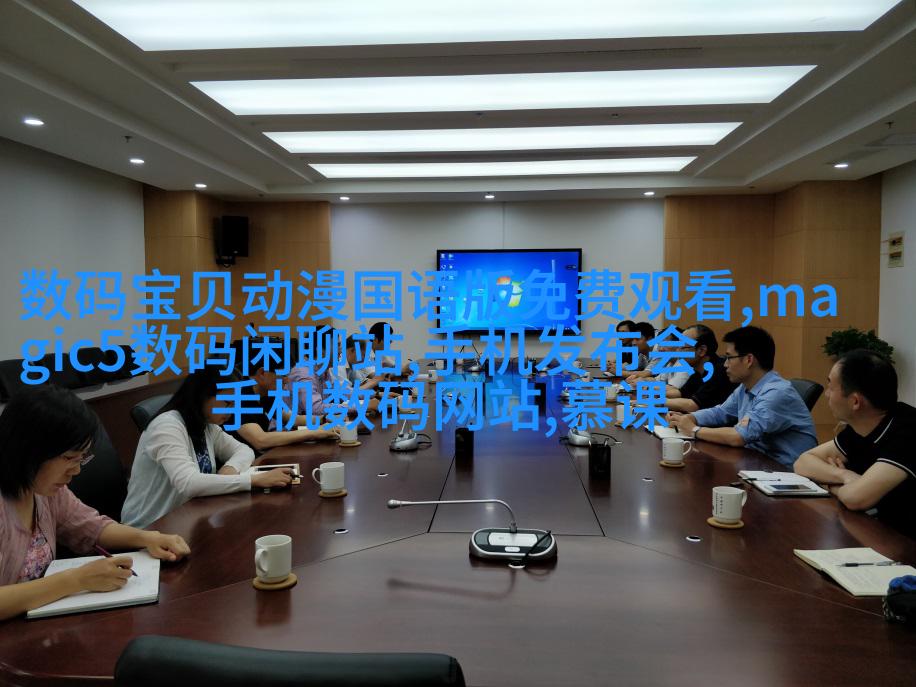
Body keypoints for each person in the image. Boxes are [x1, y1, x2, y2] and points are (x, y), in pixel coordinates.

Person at [0, 385, 189, 621]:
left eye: (81, 459)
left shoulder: (44, 491)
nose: (76, 470)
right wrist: (75, 580)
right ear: (27, 450)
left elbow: (90, 526)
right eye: (69, 458)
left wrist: (147, 538)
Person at [122, 367, 292, 528]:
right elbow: (189, 483)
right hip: (149, 530)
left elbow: (244, 450)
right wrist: (253, 480)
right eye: (227, 403)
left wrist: (230, 468)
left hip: (188, 518)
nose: (230, 412)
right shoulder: (167, 426)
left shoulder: (206, 425)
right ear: (202, 396)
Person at [794, 350, 915, 536]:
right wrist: (845, 475)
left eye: (831, 387)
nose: (826, 394)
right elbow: (803, 462)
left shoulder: (908, 429)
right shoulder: (860, 426)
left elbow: (855, 498)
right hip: (878, 529)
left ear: (855, 402)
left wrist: (831, 485)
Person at [669, 325, 817, 467]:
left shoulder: (777, 393)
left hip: (785, 474)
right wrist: (691, 418)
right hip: (757, 465)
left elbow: (738, 436)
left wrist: (694, 430)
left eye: (729, 358)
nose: (725, 364)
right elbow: (720, 412)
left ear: (748, 360)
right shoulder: (745, 387)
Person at [229, 361, 338, 453]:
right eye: (283, 375)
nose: (287, 380)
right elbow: (261, 440)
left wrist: (324, 419)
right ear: (262, 373)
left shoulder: (265, 393)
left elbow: (292, 418)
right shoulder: (238, 395)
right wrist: (314, 432)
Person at [665, 324, 736, 412]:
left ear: (701, 350)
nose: (677, 351)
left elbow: (693, 405)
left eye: (682, 347)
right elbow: (681, 393)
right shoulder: (698, 372)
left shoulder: (719, 371)